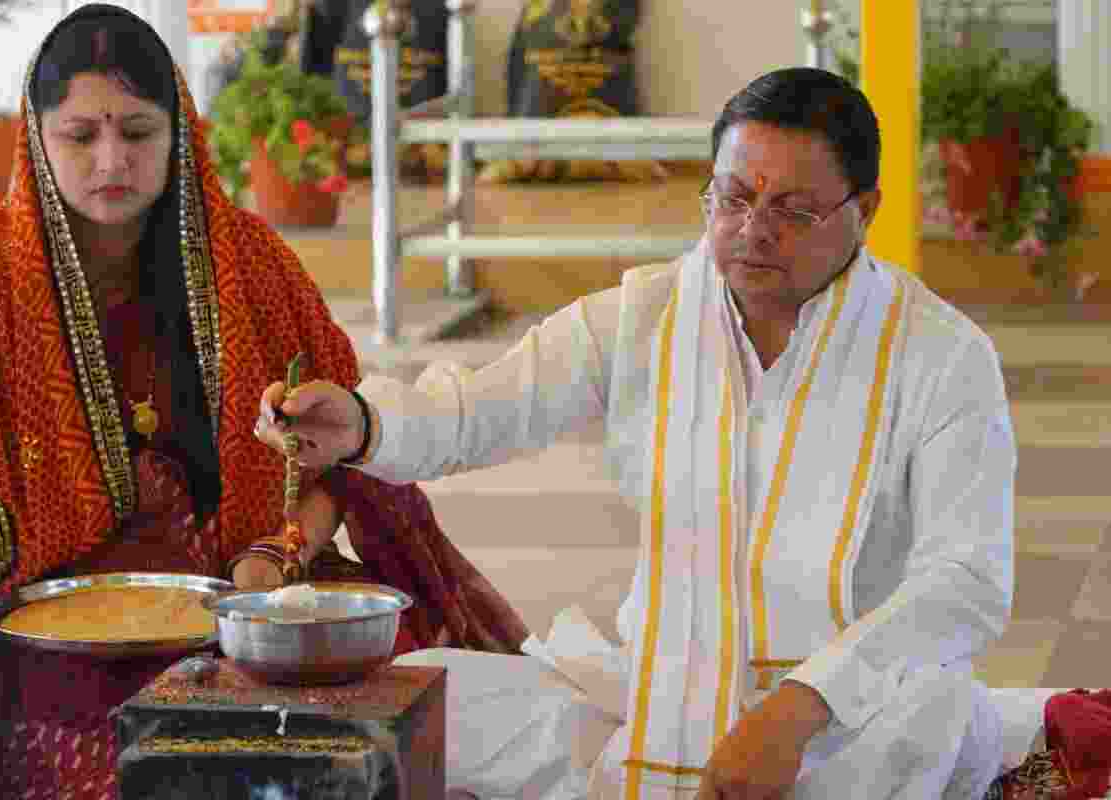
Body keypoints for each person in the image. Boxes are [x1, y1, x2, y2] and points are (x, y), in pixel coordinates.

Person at [0, 6, 527, 799]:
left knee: (360, 696)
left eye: (139, 132)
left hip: (237, 590)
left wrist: (276, 557)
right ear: (35, 137)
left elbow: (333, 466)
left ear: (179, 131)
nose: (111, 159)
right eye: (81, 135)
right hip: (30, 590)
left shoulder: (256, 269)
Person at [257, 67, 1017, 800]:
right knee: (432, 698)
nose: (752, 231)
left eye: (793, 210)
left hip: (855, 716)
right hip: (663, 689)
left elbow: (966, 582)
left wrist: (802, 706)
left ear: (867, 208)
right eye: (733, 198)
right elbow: (479, 413)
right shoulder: (647, 315)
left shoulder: (940, 355)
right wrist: (360, 424)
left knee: (916, 731)